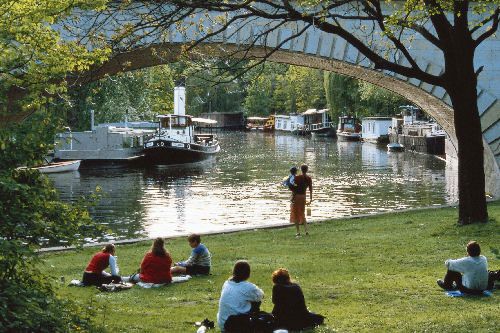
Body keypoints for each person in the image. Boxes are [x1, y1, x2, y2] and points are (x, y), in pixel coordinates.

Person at [217, 260, 265, 332]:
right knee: (256, 301)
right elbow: (261, 295)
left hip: (222, 323)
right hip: (235, 325)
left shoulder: (226, 283)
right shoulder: (248, 287)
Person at [290, 164, 312, 237]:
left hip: (296, 197)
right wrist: (310, 199)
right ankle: (306, 230)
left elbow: (292, 187)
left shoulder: (297, 178)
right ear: (307, 170)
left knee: (295, 213)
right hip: (303, 197)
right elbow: (310, 189)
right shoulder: (309, 178)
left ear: (301, 169)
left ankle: (298, 231)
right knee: (302, 213)